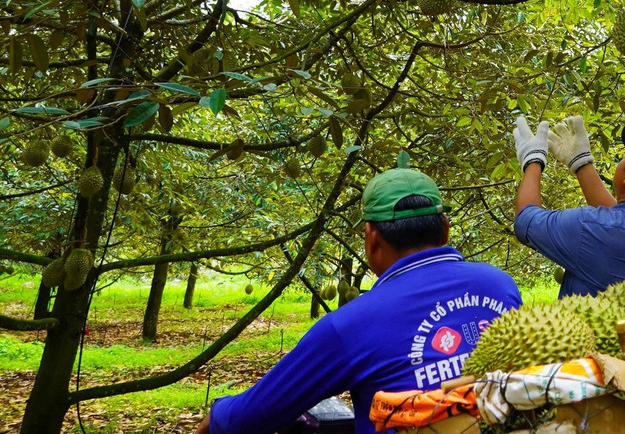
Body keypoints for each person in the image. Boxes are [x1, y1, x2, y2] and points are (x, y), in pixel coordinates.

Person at [195, 168, 522, 434]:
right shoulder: (500, 284)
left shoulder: (349, 325)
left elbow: (249, 417)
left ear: (372, 239)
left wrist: (218, 414)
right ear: (445, 230)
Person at [511, 115, 625, 297]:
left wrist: (532, 159)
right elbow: (619, 224)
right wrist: (581, 164)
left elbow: (525, 219)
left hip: (585, 326)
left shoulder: (585, 226)